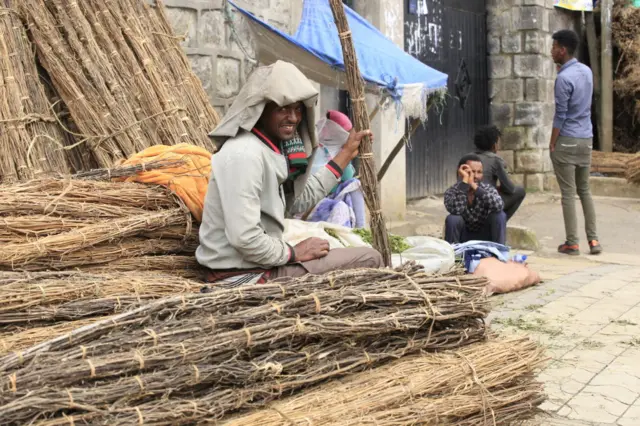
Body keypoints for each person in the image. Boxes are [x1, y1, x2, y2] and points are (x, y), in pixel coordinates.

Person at [196, 61, 383, 286]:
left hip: (262, 265)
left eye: (297, 109)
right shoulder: (244, 154)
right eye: (282, 108)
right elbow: (244, 238)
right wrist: (293, 253)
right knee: (370, 258)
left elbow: (296, 200)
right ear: (260, 108)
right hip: (243, 276)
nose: (293, 118)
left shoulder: (269, 149)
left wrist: (345, 154)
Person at [549, 29, 602, 255]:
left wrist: (553, 142)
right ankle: (594, 241)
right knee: (585, 190)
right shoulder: (587, 72)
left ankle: (572, 242)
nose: (551, 52)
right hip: (586, 139)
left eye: (553, 47)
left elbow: (560, 115)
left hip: (568, 139)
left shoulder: (563, 78)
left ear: (562, 50)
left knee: (568, 194)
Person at [444, 154, 506, 245]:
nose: (476, 176)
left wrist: (475, 187)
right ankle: (456, 258)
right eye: (472, 171)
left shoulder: (487, 189)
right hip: (463, 238)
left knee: (499, 215)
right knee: (453, 219)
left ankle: (498, 256)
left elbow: (499, 206)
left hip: (485, 237)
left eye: (479, 172)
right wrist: (465, 184)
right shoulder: (452, 191)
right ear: (461, 173)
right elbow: (456, 210)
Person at [471, 125, 525, 220]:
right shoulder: (496, 160)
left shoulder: (466, 158)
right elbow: (510, 189)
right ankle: (499, 222)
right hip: (485, 204)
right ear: (494, 145)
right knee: (520, 191)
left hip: (467, 203)